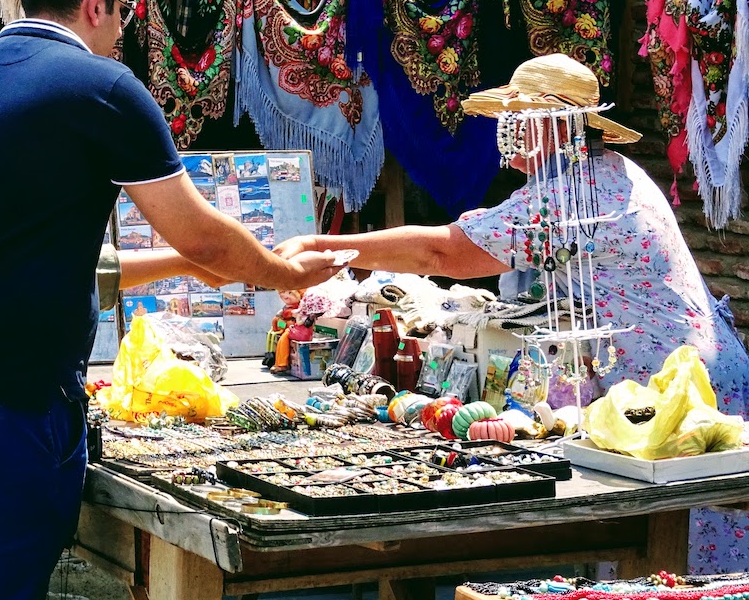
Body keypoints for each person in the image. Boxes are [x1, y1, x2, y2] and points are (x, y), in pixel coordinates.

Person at [0, 0, 341, 600]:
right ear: (96, 5)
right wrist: (280, 272)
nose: (123, 30)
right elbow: (198, 232)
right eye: (123, 13)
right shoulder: (105, 88)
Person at [277, 53, 749, 573]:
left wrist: (323, 247)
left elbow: (444, 253)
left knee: (688, 565)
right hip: (679, 375)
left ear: (554, 126)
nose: (509, 131)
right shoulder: (599, 176)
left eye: (519, 120)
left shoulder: (576, 193)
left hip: (678, 387)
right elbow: (475, 234)